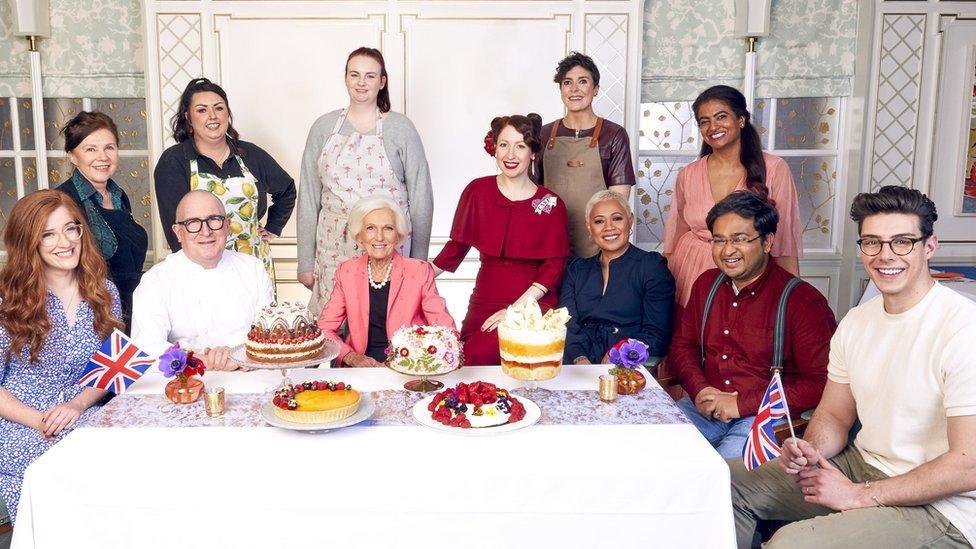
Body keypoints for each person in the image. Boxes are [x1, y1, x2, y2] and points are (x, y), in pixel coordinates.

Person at [731, 186, 976, 548]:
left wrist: (859, 494)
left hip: (942, 507)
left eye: (902, 242)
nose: (885, 255)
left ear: (929, 246)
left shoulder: (963, 329)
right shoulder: (857, 322)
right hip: (861, 465)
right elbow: (833, 415)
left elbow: (968, 464)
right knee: (722, 483)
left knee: (791, 544)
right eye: (872, 242)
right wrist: (811, 448)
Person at [669, 191, 834, 459]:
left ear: (767, 242)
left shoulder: (802, 301)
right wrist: (701, 389)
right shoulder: (706, 284)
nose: (727, 250)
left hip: (764, 419)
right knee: (652, 456)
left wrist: (740, 403)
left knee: (722, 479)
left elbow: (821, 383)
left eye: (741, 239)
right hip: (705, 409)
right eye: (719, 240)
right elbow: (683, 346)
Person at [0, 190, 122, 525]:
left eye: (71, 228)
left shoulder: (104, 291)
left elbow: (115, 365)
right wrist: (40, 421)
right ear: (30, 243)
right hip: (24, 426)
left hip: (84, 417)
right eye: (48, 234)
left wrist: (78, 405)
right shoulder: (6, 302)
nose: (65, 241)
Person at [298, 47, 433, 315]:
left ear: (382, 82)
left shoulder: (400, 128)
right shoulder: (323, 127)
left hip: (389, 246)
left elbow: (421, 197)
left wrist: (418, 260)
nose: (361, 83)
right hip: (333, 245)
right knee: (337, 328)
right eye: (355, 74)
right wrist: (305, 261)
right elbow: (309, 197)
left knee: (388, 324)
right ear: (346, 78)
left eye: (370, 76)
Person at [433, 114, 569, 366]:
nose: (511, 154)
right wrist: (410, 278)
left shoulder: (552, 203)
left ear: (532, 152)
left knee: (484, 356)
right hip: (485, 297)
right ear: (494, 149)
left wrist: (514, 311)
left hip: (531, 302)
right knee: (465, 359)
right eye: (504, 144)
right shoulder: (477, 191)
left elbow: (553, 269)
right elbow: (456, 248)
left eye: (520, 146)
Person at [664, 85, 802, 312]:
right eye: (704, 121)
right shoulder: (688, 174)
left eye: (721, 117)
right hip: (689, 272)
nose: (713, 127)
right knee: (690, 342)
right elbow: (673, 238)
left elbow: (784, 242)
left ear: (741, 120)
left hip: (749, 271)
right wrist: (660, 289)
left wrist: (792, 299)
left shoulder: (775, 168)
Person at [154, 77, 295, 281]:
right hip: (203, 271)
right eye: (202, 110)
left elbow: (287, 189)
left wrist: (273, 227)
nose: (212, 116)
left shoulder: (250, 155)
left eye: (219, 108)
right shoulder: (175, 161)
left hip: (253, 267)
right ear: (188, 117)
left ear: (227, 113)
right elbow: (175, 230)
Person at [132, 190, 273, 370]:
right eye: (193, 223)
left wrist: (240, 358)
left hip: (250, 374)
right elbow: (145, 347)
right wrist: (205, 361)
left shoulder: (253, 269)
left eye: (214, 220)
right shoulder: (156, 280)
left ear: (227, 225)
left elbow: (269, 337)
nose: (205, 232)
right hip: (185, 382)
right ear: (178, 232)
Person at [318, 196, 455, 367]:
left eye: (388, 228)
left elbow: (445, 328)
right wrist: (351, 357)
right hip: (360, 366)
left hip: (409, 365)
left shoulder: (419, 271)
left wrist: (412, 361)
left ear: (398, 236)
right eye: (370, 228)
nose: (379, 237)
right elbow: (324, 329)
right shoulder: (347, 272)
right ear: (359, 236)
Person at [535, 52, 636, 258]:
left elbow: (617, 201)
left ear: (596, 89)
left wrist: (605, 236)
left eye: (583, 81)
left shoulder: (614, 135)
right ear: (561, 89)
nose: (574, 89)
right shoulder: (543, 135)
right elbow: (532, 194)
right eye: (567, 82)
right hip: (551, 240)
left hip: (598, 243)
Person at [55, 111, 148, 331]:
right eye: (90, 149)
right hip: (93, 318)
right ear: (72, 155)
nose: (103, 157)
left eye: (109, 147)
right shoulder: (62, 201)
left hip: (135, 311)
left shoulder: (119, 195)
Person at [559, 190, 675, 364]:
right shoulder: (576, 270)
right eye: (599, 221)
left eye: (617, 218)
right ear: (589, 227)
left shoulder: (651, 266)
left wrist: (619, 352)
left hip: (628, 366)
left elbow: (657, 334)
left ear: (630, 220)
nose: (609, 227)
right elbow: (566, 324)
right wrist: (579, 359)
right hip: (576, 362)